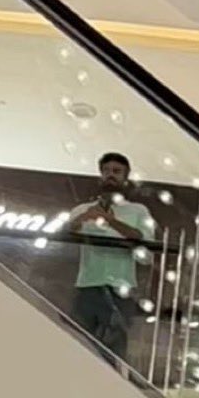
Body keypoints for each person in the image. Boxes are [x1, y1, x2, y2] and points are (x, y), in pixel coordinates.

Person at [68, 152, 154, 364]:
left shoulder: (138, 211)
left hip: (121, 289)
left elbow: (146, 250)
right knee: (77, 344)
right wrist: (83, 218)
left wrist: (110, 220)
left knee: (114, 350)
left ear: (126, 178)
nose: (110, 175)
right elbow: (64, 234)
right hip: (87, 285)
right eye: (106, 171)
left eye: (116, 171)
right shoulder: (81, 210)